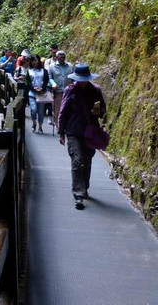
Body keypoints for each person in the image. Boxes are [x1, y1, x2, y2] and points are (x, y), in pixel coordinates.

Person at [57, 63, 106, 210]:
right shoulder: (70, 90)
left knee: (87, 160)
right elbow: (63, 111)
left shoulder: (96, 90)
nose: (82, 81)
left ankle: (84, 187)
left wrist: (99, 112)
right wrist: (61, 132)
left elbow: (103, 109)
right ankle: (78, 194)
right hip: (73, 131)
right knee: (77, 160)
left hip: (90, 131)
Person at [48, 50, 74, 131]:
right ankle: (58, 125)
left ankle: (66, 125)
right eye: (60, 57)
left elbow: (73, 77)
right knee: (58, 109)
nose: (62, 59)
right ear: (56, 58)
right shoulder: (52, 66)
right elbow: (50, 78)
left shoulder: (69, 65)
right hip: (58, 91)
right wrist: (53, 84)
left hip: (68, 90)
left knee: (68, 108)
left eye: (63, 57)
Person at [25, 55, 51, 133]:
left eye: (36, 60)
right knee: (33, 109)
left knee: (41, 111)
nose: (34, 62)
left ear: (39, 61)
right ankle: (34, 123)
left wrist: (42, 88)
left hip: (42, 93)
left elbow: (46, 80)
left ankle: (40, 126)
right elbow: (28, 82)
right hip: (32, 93)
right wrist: (33, 88)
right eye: (33, 60)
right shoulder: (29, 70)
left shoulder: (44, 71)